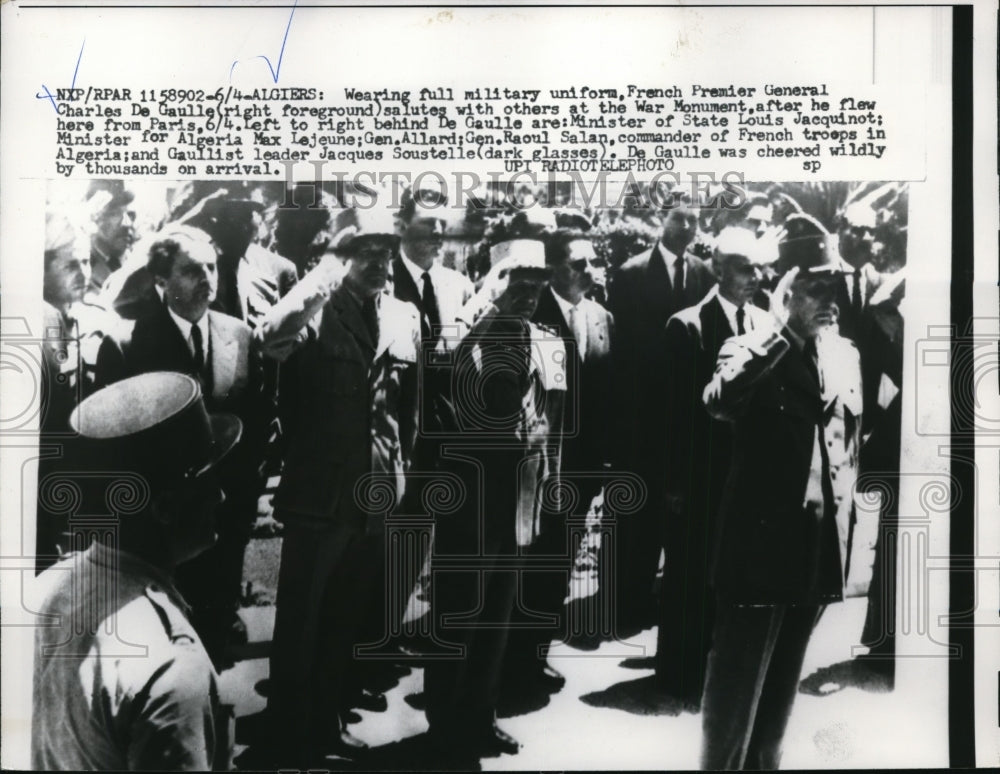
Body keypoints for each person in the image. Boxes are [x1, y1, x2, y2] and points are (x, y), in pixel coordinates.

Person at [256, 205, 420, 764]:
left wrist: (400, 480)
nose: (377, 261)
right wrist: (323, 273)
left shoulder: (403, 317)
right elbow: (270, 339)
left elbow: (407, 414)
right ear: (340, 255)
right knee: (300, 624)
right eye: (362, 250)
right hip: (319, 497)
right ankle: (286, 735)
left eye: (385, 250)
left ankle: (325, 727)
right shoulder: (316, 310)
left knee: (344, 621)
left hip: (375, 497)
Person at [699, 236, 863, 770]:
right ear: (786, 289)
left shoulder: (843, 356)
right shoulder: (749, 345)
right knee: (734, 701)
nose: (829, 301)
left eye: (833, 289)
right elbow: (721, 402)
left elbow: (848, 449)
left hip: (814, 552)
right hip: (757, 552)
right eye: (815, 288)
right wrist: (783, 335)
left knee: (778, 706)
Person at [31, 372, 241, 771]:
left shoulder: (45, 589)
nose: (221, 495)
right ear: (163, 510)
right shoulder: (172, 665)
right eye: (206, 480)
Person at [94, 226, 273, 667]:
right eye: (192, 270)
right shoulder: (125, 345)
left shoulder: (239, 335)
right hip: (160, 532)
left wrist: (243, 502)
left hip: (224, 520)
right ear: (161, 281)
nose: (208, 278)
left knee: (213, 638)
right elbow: (114, 450)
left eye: (211, 267)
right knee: (159, 644)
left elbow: (257, 424)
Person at [425, 238, 563, 760]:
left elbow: (547, 420)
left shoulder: (543, 340)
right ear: (495, 280)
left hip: (519, 500)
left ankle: (480, 718)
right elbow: (440, 355)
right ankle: (443, 730)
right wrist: (486, 302)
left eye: (537, 285)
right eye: (517, 282)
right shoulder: (468, 331)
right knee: (457, 615)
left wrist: (548, 484)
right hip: (471, 497)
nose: (528, 294)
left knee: (497, 619)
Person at [655, 227, 772, 709]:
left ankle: (721, 674)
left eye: (759, 268)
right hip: (702, 474)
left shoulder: (766, 324)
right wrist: (674, 483)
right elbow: (672, 415)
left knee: (734, 572)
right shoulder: (687, 326)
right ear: (720, 269)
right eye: (745, 268)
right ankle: (679, 675)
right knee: (689, 572)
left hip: (750, 474)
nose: (755, 277)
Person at [503, 227, 615, 697]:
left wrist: (607, 462)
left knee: (559, 568)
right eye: (577, 264)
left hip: (584, 469)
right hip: (542, 468)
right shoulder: (535, 313)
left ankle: (536, 653)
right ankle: (511, 663)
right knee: (530, 567)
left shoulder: (602, 317)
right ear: (554, 269)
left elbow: (611, 392)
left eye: (592, 263)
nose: (588, 272)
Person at [606, 192, 716, 632]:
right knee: (638, 516)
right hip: (641, 415)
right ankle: (627, 605)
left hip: (687, 413)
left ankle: (668, 601)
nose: (687, 228)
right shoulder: (631, 274)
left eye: (694, 221)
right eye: (679, 219)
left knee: (682, 514)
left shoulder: (706, 274)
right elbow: (621, 352)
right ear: (661, 219)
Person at [37, 212, 113, 571]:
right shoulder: (27, 322)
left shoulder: (98, 318)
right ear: (41, 267)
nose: (84, 273)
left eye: (87, 261)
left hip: (84, 480)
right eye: (71, 264)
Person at [87, 183, 137, 299]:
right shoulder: (84, 270)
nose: (127, 223)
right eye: (115, 214)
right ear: (94, 218)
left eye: (130, 215)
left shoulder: (134, 262)